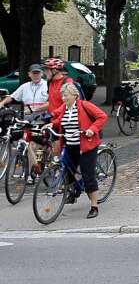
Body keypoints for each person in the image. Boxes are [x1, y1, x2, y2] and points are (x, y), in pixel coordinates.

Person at [49, 82, 109, 219]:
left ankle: (94, 206)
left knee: (88, 176)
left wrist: (91, 130)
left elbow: (102, 116)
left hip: (86, 146)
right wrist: (51, 123)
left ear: (75, 95)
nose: (63, 98)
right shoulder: (65, 108)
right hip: (70, 145)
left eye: (66, 95)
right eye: (62, 96)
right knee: (67, 171)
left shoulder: (84, 105)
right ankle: (74, 191)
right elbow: (59, 119)